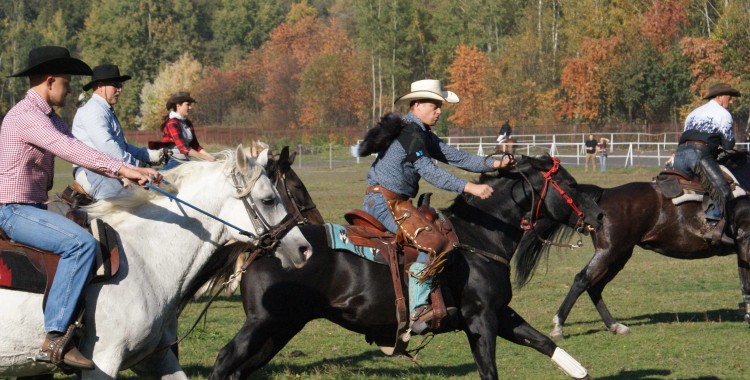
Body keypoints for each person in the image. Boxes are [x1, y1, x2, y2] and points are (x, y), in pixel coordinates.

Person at [0, 46, 161, 370]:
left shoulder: (48, 116)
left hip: (33, 206)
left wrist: (134, 168)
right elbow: (71, 150)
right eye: (66, 81)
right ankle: (56, 336)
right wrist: (124, 170)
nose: (71, 88)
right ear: (49, 81)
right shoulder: (27, 117)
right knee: (80, 245)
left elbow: (79, 147)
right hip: (13, 210)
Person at [361, 79, 513, 335]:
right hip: (384, 203)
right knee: (431, 241)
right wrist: (470, 188)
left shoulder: (420, 133)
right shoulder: (410, 134)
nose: (440, 111)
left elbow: (457, 157)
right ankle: (418, 309)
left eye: (441, 106)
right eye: (435, 105)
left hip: (395, 202)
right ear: (418, 104)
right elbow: (430, 172)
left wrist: (495, 164)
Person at [72, 64, 164, 199]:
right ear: (100, 86)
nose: (120, 89)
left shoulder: (105, 109)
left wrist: (151, 155)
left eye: (121, 85)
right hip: (90, 170)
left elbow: (123, 147)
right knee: (121, 202)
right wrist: (137, 165)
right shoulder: (93, 110)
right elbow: (108, 148)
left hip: (110, 167)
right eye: (116, 85)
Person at [672, 82, 741, 243]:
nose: (730, 102)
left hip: (680, 155)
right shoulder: (724, 114)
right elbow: (728, 144)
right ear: (720, 97)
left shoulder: (693, 113)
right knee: (722, 188)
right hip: (699, 155)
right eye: (729, 98)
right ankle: (714, 225)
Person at [160, 91, 216, 169]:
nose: (190, 107)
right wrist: (205, 158)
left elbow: (195, 146)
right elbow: (183, 148)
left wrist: (211, 157)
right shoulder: (172, 123)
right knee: (160, 179)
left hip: (185, 161)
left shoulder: (187, 123)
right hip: (173, 161)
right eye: (187, 105)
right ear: (178, 106)